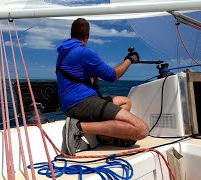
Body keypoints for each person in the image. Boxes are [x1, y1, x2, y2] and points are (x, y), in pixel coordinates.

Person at [56, 18, 149, 156]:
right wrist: (130, 60)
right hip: (81, 103)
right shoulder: (84, 52)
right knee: (141, 129)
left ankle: (103, 135)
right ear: (88, 35)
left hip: (71, 103)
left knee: (125, 102)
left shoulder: (64, 53)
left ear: (71, 34)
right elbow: (112, 76)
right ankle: (78, 128)